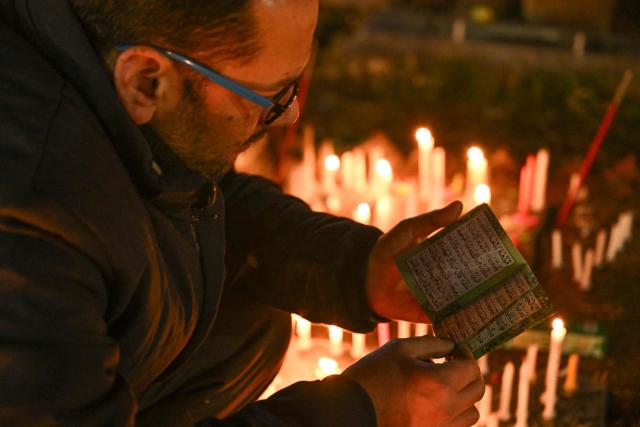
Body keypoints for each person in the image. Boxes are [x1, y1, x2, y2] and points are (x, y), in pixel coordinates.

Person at [0, 0, 484, 425]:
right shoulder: (30, 217)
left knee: (245, 324)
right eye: (270, 96)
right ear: (146, 81)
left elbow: (183, 191)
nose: (289, 116)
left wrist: (356, 269)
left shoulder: (85, 58)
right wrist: (363, 410)